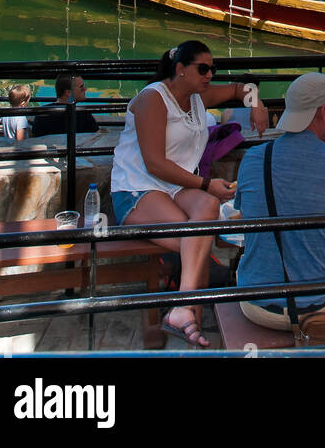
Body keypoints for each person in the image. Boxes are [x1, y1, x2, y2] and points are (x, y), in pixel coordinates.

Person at [110, 39, 268, 348]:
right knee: (196, 238)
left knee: (206, 214)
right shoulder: (153, 99)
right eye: (203, 68)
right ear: (180, 69)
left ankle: (183, 312)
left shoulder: (198, 97)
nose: (210, 74)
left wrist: (257, 104)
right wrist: (207, 183)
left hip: (177, 188)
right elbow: (155, 164)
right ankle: (187, 311)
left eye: (213, 68)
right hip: (137, 189)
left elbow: (240, 88)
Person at [236, 73, 325, 341]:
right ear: (322, 112)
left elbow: (247, 217)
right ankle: (318, 324)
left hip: (255, 305)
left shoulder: (253, 158)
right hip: (315, 307)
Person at [31, 74, 99, 138]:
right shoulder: (84, 115)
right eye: (81, 87)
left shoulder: (42, 113)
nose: (85, 89)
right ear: (69, 92)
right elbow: (95, 139)